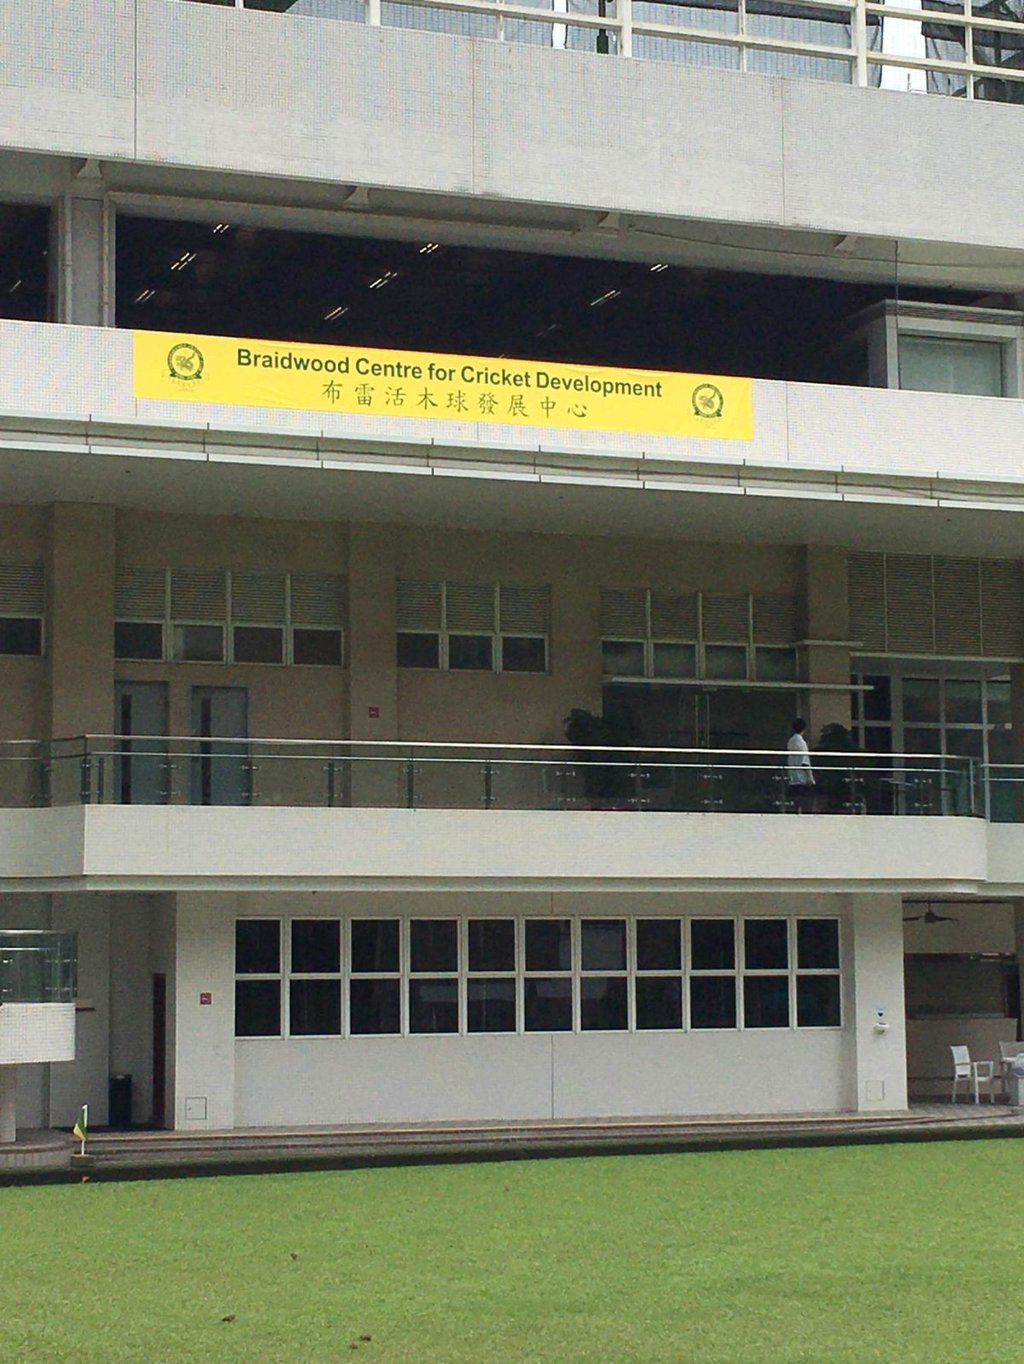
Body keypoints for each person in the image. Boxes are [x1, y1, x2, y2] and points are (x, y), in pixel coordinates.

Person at [786, 718, 816, 812]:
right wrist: (810, 777)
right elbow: (805, 761)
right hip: (802, 779)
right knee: (806, 804)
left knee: (794, 804)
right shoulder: (802, 743)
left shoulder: (790, 741)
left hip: (792, 776)